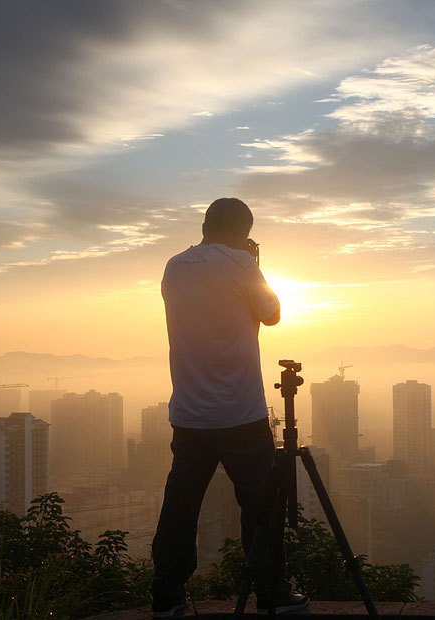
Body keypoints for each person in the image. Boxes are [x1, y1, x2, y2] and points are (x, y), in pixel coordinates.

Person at [152, 197, 308, 618]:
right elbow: (272, 315)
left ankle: (166, 596)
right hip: (240, 414)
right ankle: (272, 592)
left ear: (204, 226)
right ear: (243, 231)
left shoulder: (173, 265)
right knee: (259, 505)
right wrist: (251, 261)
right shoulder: (241, 264)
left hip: (188, 415)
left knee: (180, 505)